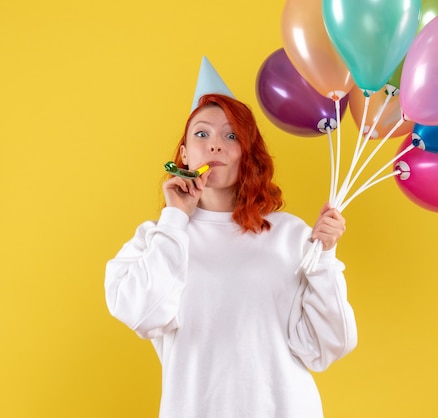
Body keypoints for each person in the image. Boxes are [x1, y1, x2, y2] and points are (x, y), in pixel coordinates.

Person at [104, 93, 358, 418]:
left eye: (231, 135)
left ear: (246, 152)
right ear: (183, 154)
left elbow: (328, 346)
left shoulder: (290, 234)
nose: (215, 145)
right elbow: (143, 315)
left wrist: (324, 256)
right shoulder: (155, 238)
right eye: (201, 134)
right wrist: (175, 219)